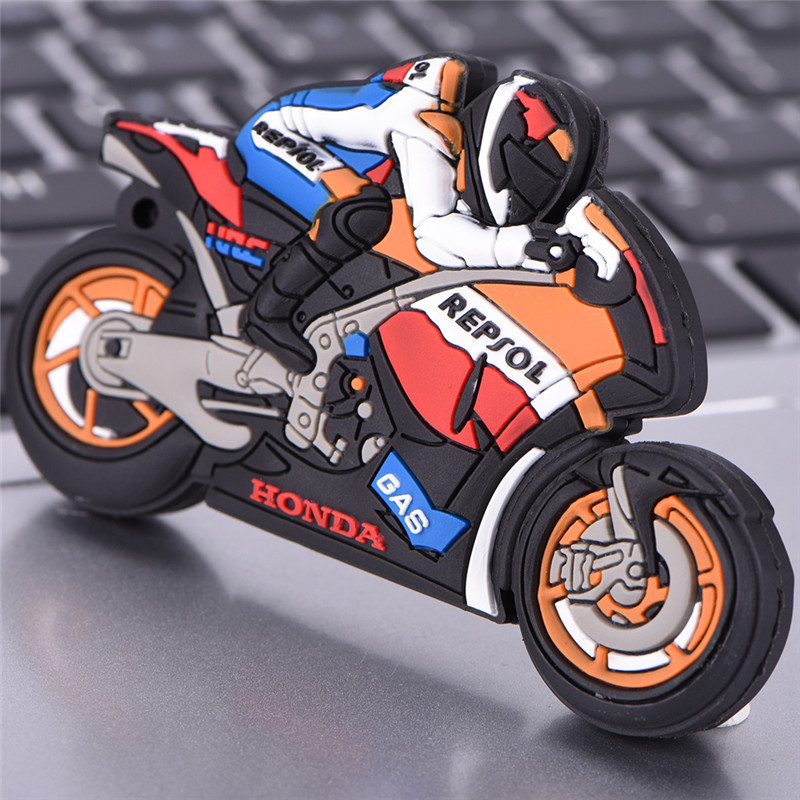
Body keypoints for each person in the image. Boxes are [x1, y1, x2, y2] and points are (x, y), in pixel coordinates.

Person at [235, 53, 607, 373]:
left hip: (324, 141)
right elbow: (435, 234)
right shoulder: (428, 129)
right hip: (275, 133)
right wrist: (522, 246)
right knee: (360, 211)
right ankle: (265, 314)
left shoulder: (455, 107)